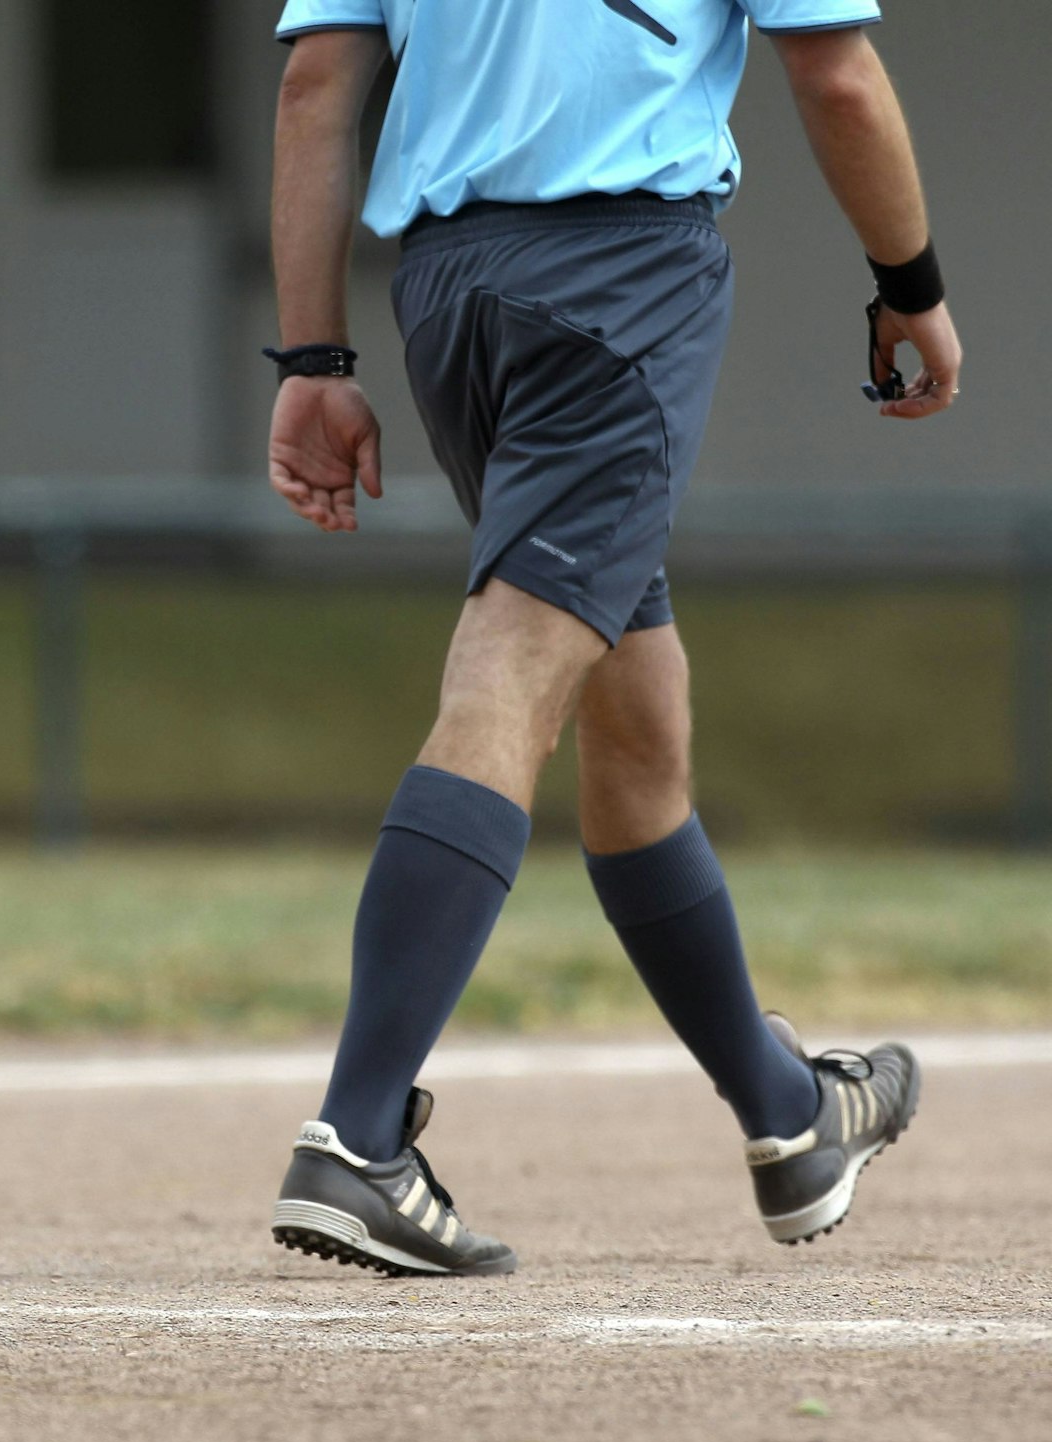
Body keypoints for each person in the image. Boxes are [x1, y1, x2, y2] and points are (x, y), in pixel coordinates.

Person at [263, 0, 959, 1276]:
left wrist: (310, 353)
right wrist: (907, 285)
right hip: (622, 275)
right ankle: (355, 1139)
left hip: (445, 292)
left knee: (634, 715)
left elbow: (316, 85)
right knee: (516, 670)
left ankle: (789, 1114)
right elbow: (839, 78)